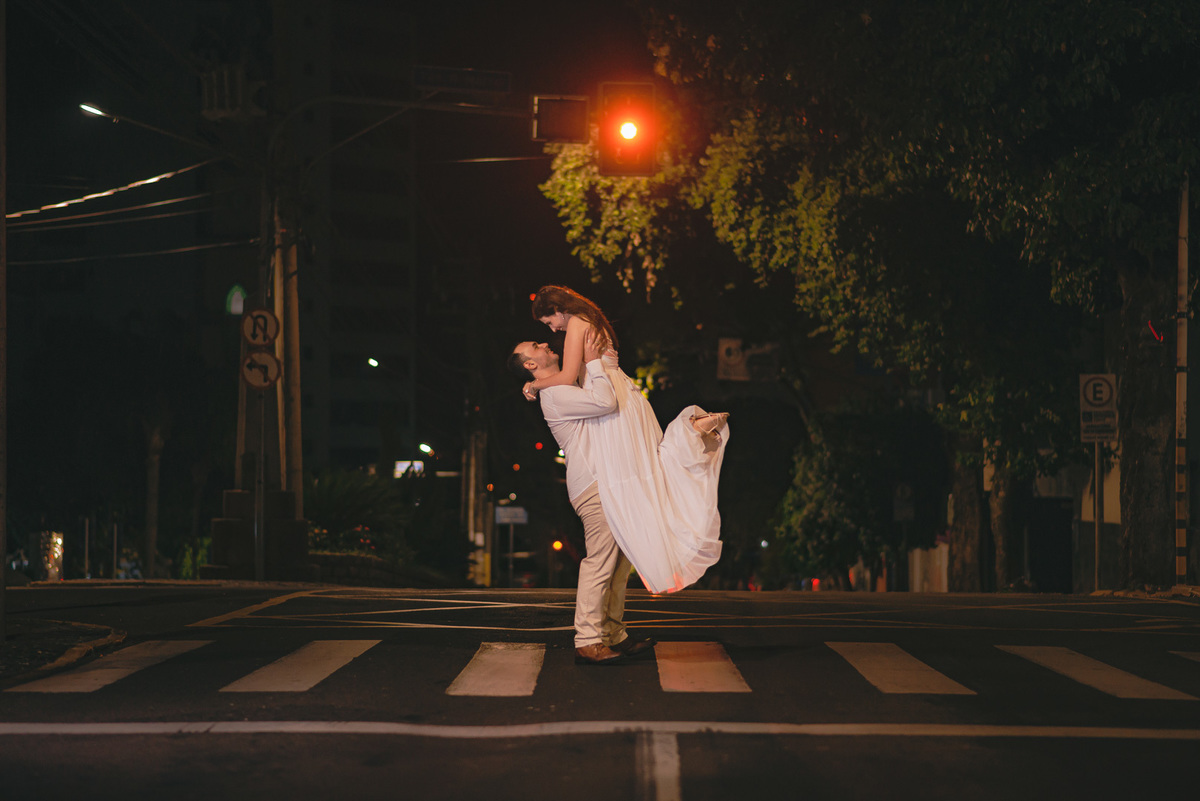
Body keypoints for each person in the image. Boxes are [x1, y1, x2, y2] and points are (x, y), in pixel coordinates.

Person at [522, 285, 729, 595]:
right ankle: (690, 430)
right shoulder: (589, 318)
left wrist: (534, 385)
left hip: (612, 400)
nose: (552, 329)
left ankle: (689, 431)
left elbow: (567, 377)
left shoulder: (577, 323)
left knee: (630, 481)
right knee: (648, 471)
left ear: (558, 309)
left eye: (549, 321)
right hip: (626, 396)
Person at [508, 329, 656, 665]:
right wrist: (591, 362)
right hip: (593, 486)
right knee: (600, 562)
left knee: (620, 563)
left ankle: (614, 633)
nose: (546, 342)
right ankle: (588, 639)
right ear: (531, 362)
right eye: (536, 345)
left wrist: (535, 383)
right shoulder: (558, 395)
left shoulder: (560, 385)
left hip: (606, 481)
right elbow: (606, 401)